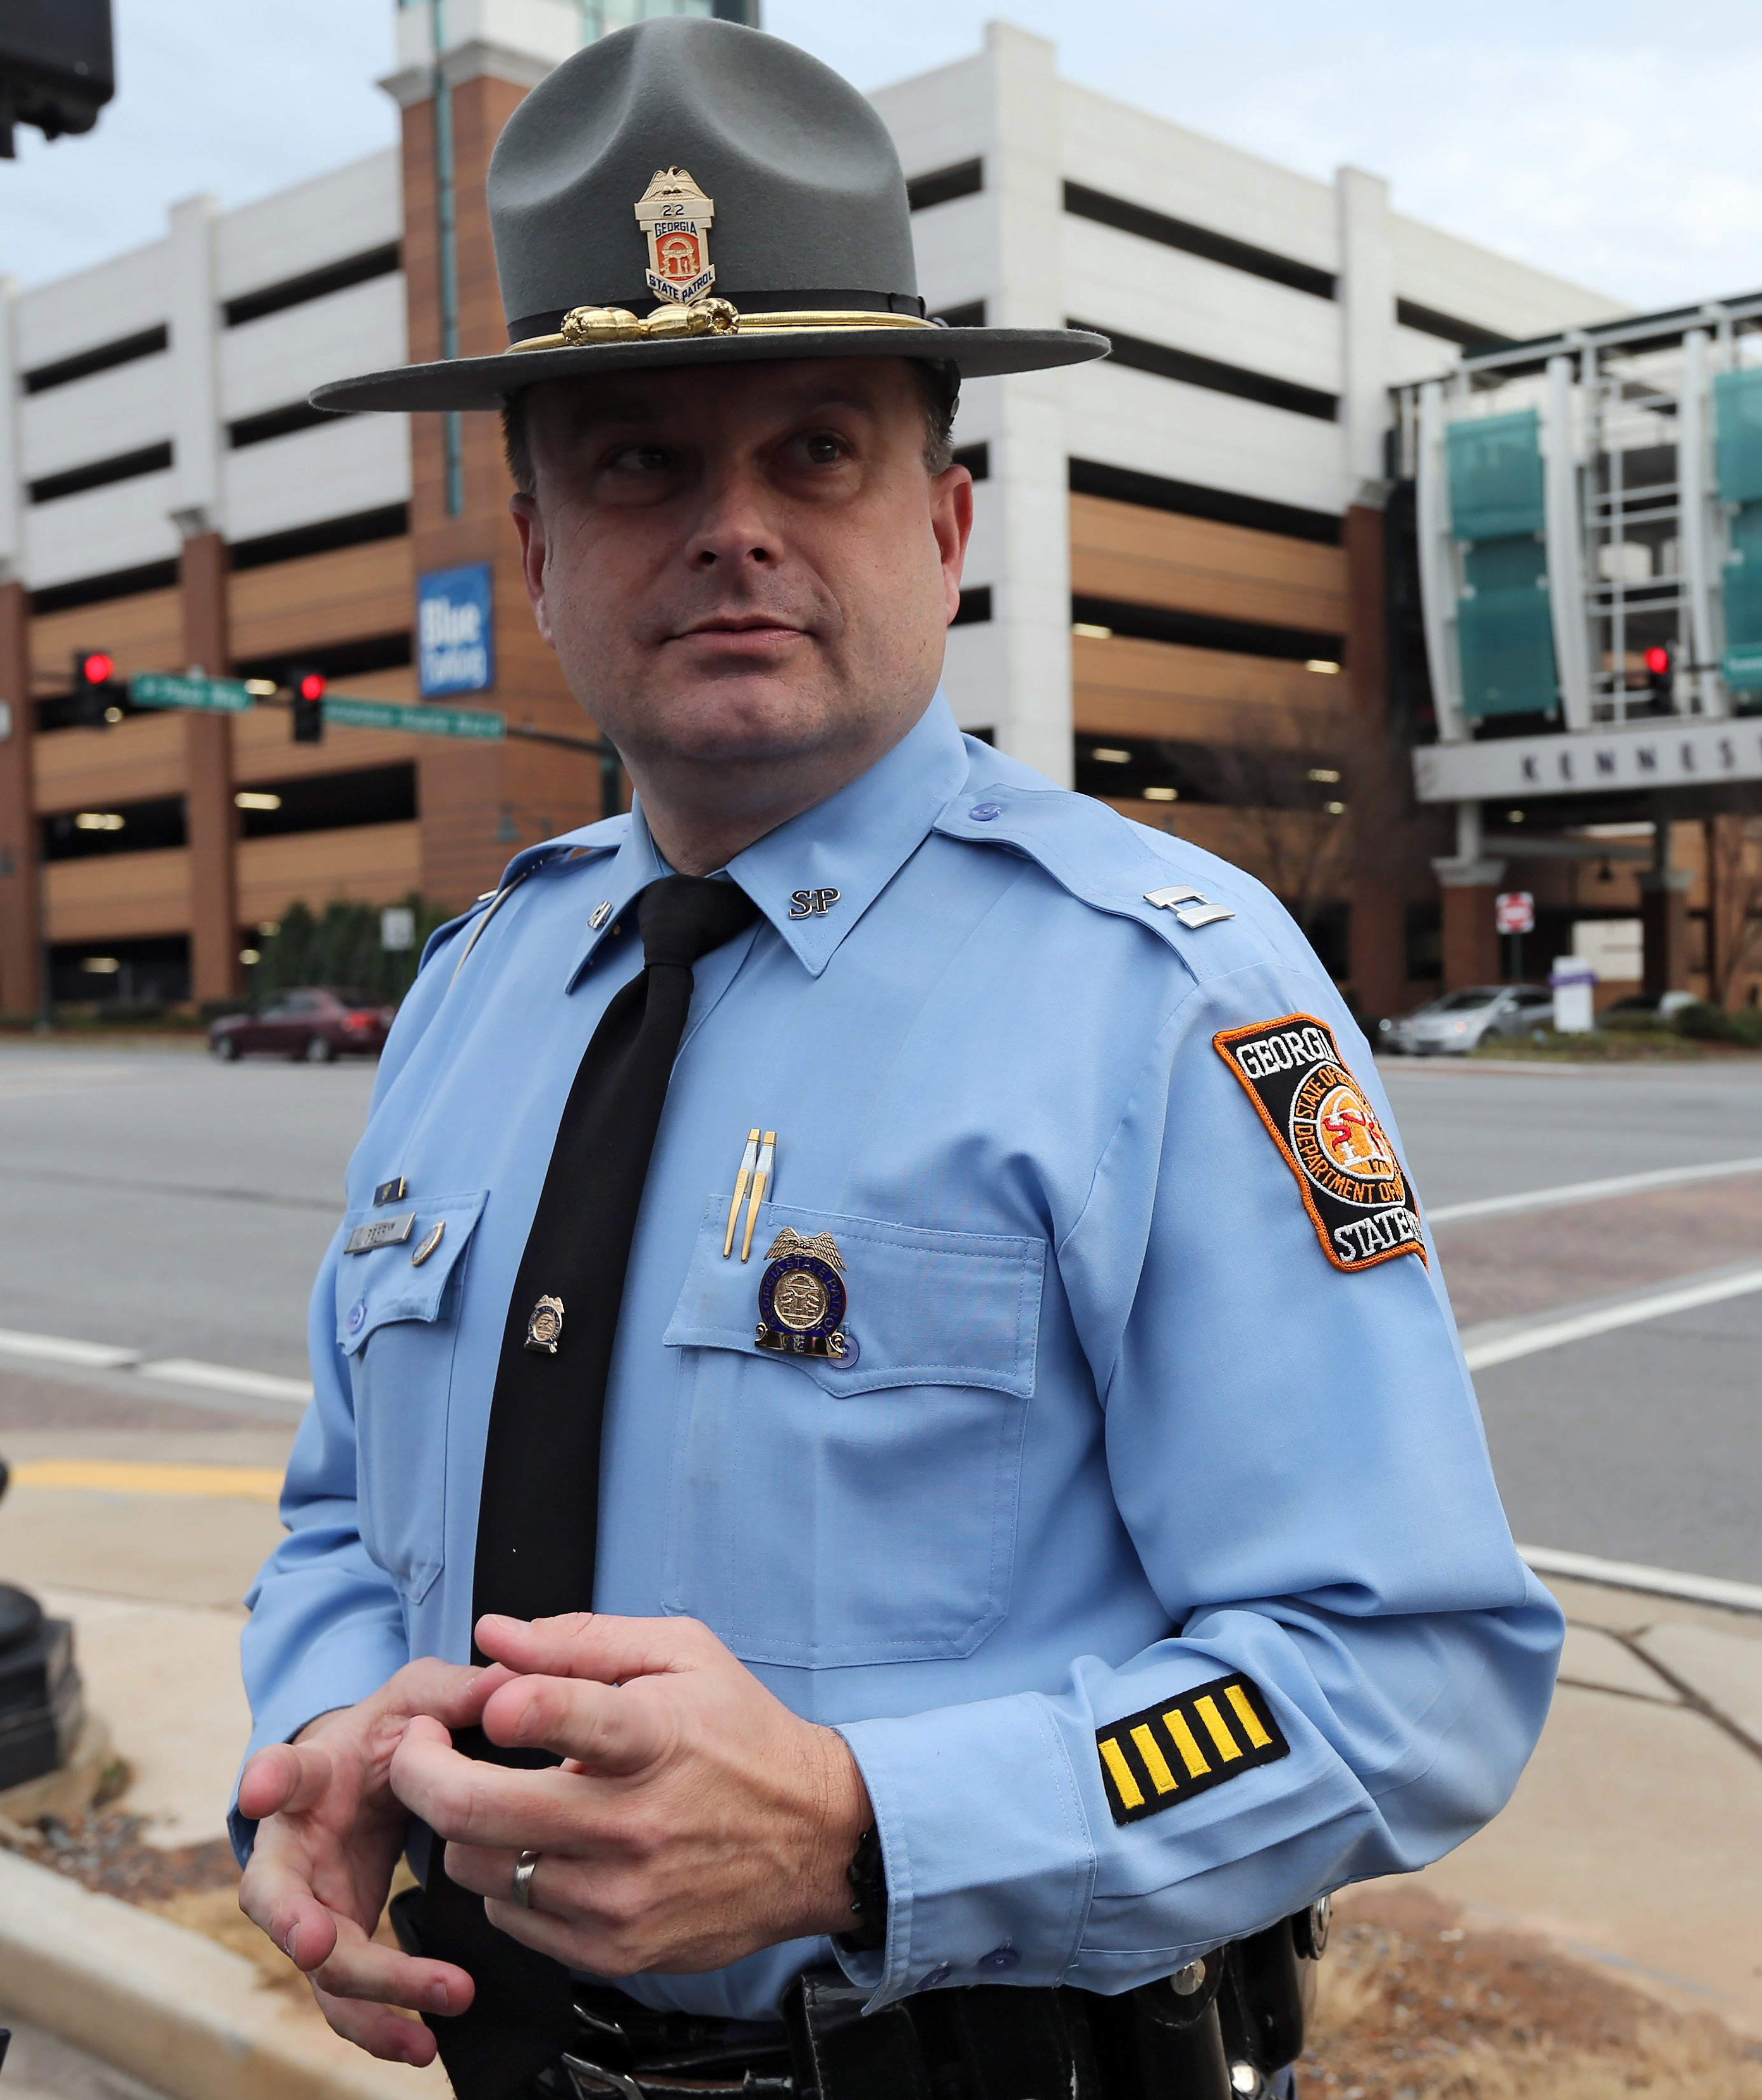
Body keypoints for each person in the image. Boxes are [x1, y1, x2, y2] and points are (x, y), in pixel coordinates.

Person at [226, 19, 1559, 2100]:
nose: (733, 527)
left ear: (942, 524)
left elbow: (1402, 1669)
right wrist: (326, 1736)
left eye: (816, 452)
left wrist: (865, 1817)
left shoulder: (1171, 990)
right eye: (643, 460)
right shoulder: (481, 987)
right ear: (541, 544)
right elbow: (334, 1519)